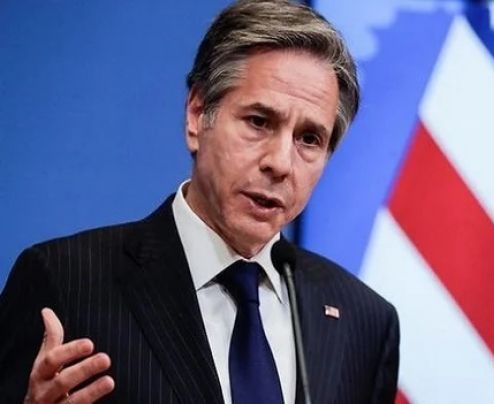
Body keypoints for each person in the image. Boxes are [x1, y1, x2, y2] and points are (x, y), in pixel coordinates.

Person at [0, 1, 398, 403]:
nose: (280, 163)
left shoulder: (364, 323)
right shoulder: (66, 282)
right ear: (197, 115)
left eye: (309, 139)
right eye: (259, 122)